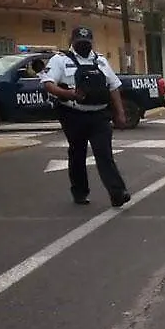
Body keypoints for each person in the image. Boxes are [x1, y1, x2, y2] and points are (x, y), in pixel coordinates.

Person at [40, 26, 130, 207]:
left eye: (87, 42)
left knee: (104, 154)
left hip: (100, 115)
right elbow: (48, 84)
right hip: (73, 115)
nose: (84, 45)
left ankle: (118, 193)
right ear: (72, 42)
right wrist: (69, 94)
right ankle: (80, 192)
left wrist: (120, 113)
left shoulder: (101, 61)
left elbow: (113, 87)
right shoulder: (60, 59)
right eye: (80, 42)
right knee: (77, 153)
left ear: (91, 42)